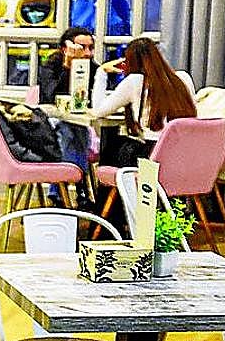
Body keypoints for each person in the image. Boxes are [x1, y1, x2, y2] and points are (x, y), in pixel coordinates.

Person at [89, 36, 197, 167]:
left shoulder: (135, 81)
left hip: (152, 157)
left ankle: (105, 186)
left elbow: (98, 110)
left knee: (113, 146)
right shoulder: (183, 78)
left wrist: (102, 71)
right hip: (185, 156)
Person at [39, 26, 99, 209]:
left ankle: (59, 190)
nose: (87, 53)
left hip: (78, 122)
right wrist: (68, 65)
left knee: (75, 130)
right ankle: (78, 187)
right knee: (68, 131)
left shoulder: (93, 68)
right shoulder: (51, 66)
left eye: (91, 48)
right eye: (82, 47)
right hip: (48, 122)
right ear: (65, 47)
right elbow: (51, 96)